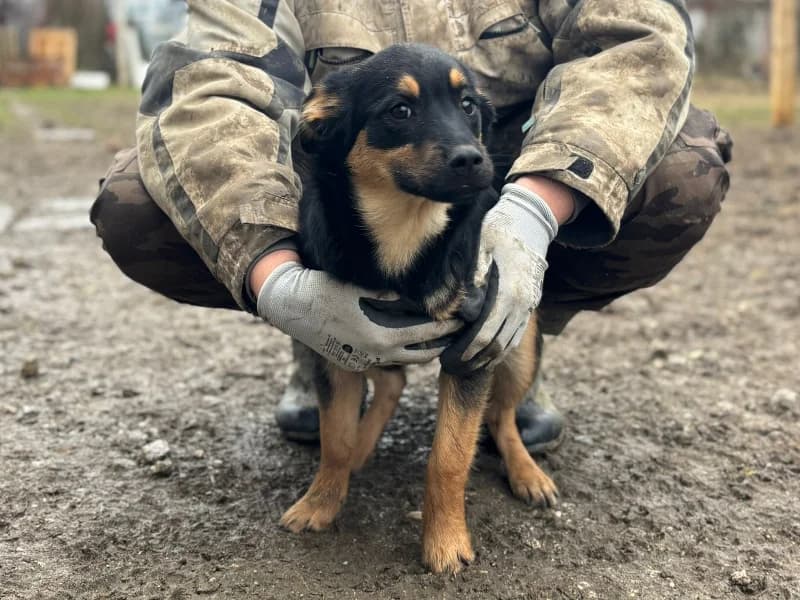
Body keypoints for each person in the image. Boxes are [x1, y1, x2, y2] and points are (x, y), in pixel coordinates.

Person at [90, 1, 731, 452]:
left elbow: (637, 41)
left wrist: (539, 206)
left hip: (519, 175)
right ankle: (320, 329)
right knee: (139, 200)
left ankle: (513, 338)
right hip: (349, 207)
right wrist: (275, 279)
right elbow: (210, 88)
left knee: (683, 170)